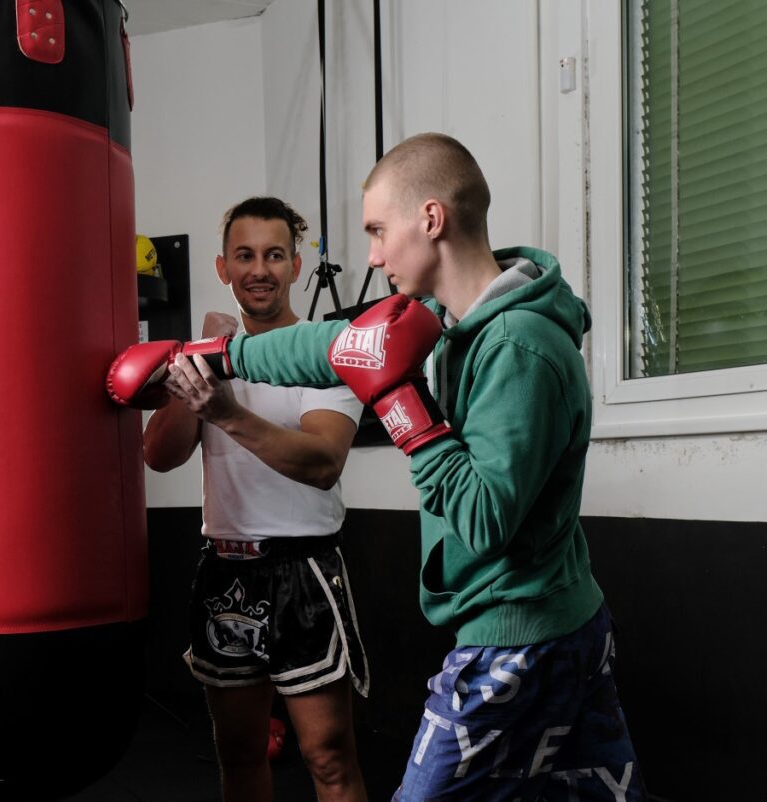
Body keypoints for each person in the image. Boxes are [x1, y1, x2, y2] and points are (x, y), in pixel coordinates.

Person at [108, 134, 647, 801]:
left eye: (377, 230)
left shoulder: (519, 348)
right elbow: (321, 345)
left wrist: (399, 403)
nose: (372, 254)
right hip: (545, 625)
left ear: (429, 219)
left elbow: (483, 520)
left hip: (519, 642)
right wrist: (212, 354)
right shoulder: (449, 324)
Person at [142, 196, 371, 802]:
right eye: (245, 255)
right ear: (223, 268)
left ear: (297, 266)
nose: (259, 269)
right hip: (225, 568)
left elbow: (322, 463)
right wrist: (198, 365)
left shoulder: (328, 352)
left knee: (328, 757)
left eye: (274, 255)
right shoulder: (207, 357)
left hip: (302, 568)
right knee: (238, 755)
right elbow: (159, 454)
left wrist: (227, 411)